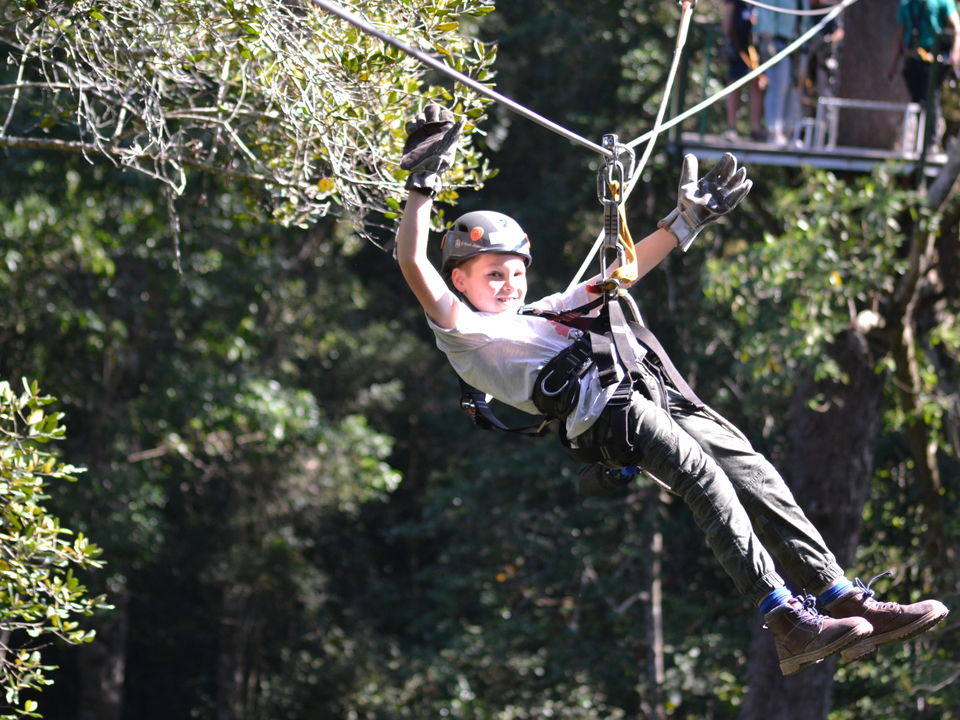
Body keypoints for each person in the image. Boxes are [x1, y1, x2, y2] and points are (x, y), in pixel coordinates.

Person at [394, 103, 949, 676]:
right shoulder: (464, 334)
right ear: (459, 281)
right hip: (610, 413)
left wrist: (684, 222)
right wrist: (423, 185)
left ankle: (840, 595)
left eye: (515, 273)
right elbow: (410, 257)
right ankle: (785, 619)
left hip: (650, 392)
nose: (509, 286)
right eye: (492, 275)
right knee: (703, 479)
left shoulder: (541, 312)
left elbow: (620, 275)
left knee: (751, 471)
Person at [889, 0, 960, 150]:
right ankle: (921, 142)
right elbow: (900, 35)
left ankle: (932, 143)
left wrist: (954, 57)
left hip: (934, 59)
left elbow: (957, 29)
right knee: (919, 101)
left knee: (931, 97)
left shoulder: (942, 2)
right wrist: (893, 65)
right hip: (913, 58)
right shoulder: (906, 4)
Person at [754, 0, 810, 145]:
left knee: (795, 87)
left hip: (799, 44)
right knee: (778, 87)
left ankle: (790, 132)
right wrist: (767, 40)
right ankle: (774, 132)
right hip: (779, 43)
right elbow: (766, 12)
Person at [723, 0, 766, 141]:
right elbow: (727, 22)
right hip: (738, 45)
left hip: (756, 46)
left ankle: (755, 128)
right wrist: (728, 39)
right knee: (734, 85)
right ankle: (731, 128)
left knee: (756, 85)